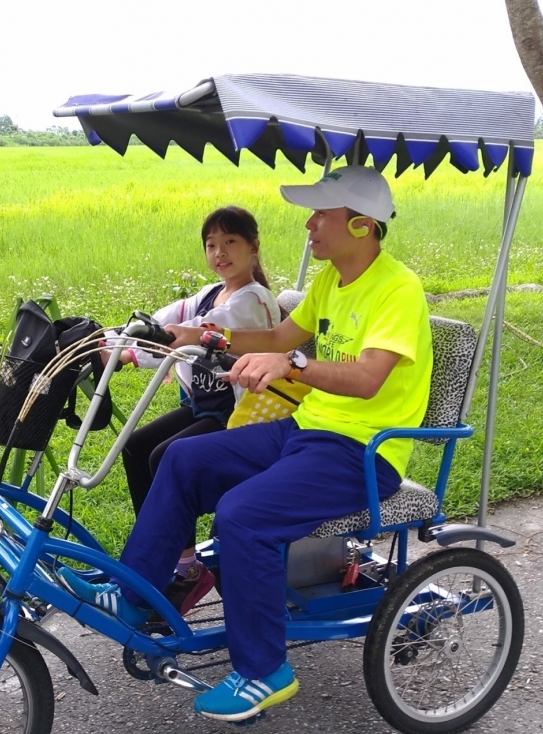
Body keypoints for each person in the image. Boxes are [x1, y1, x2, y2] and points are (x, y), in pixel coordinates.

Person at [59, 166, 433, 723]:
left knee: (242, 514)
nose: (309, 225)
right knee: (181, 459)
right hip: (305, 432)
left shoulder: (397, 288)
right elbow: (280, 335)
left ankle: (264, 671)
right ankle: (136, 597)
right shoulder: (331, 281)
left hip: (362, 451)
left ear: (360, 224)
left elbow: (367, 378)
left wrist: (293, 365)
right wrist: (206, 335)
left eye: (320, 214)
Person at [108, 205, 281, 615]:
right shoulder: (209, 292)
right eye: (211, 245)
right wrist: (113, 340)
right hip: (206, 407)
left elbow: (201, 332)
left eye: (230, 242)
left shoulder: (254, 300)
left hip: (242, 415)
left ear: (254, 247)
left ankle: (185, 570)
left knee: (164, 455)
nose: (220, 252)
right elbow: (167, 319)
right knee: (135, 446)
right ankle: (171, 556)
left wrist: (135, 353)